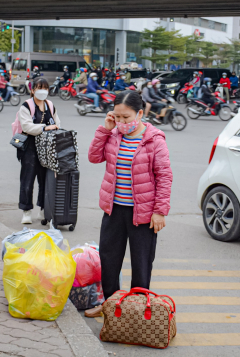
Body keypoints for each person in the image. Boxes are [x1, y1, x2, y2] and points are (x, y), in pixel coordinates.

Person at [85, 91, 172, 317]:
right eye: (118, 117)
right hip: (114, 209)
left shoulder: (154, 140)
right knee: (109, 260)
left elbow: (164, 176)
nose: (122, 122)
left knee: (141, 264)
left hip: (142, 214)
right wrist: (105, 128)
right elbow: (94, 157)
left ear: (140, 113)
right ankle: (110, 306)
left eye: (126, 117)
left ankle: (136, 313)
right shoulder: (113, 134)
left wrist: (160, 212)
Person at [15, 77, 61, 224]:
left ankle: (43, 209)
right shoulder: (26, 106)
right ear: (33, 90)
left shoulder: (50, 105)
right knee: (27, 179)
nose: (42, 91)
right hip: (29, 146)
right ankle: (26, 211)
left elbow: (57, 123)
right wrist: (45, 128)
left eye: (45, 88)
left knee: (45, 179)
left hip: (46, 146)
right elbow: (27, 127)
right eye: (39, 88)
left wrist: (52, 128)